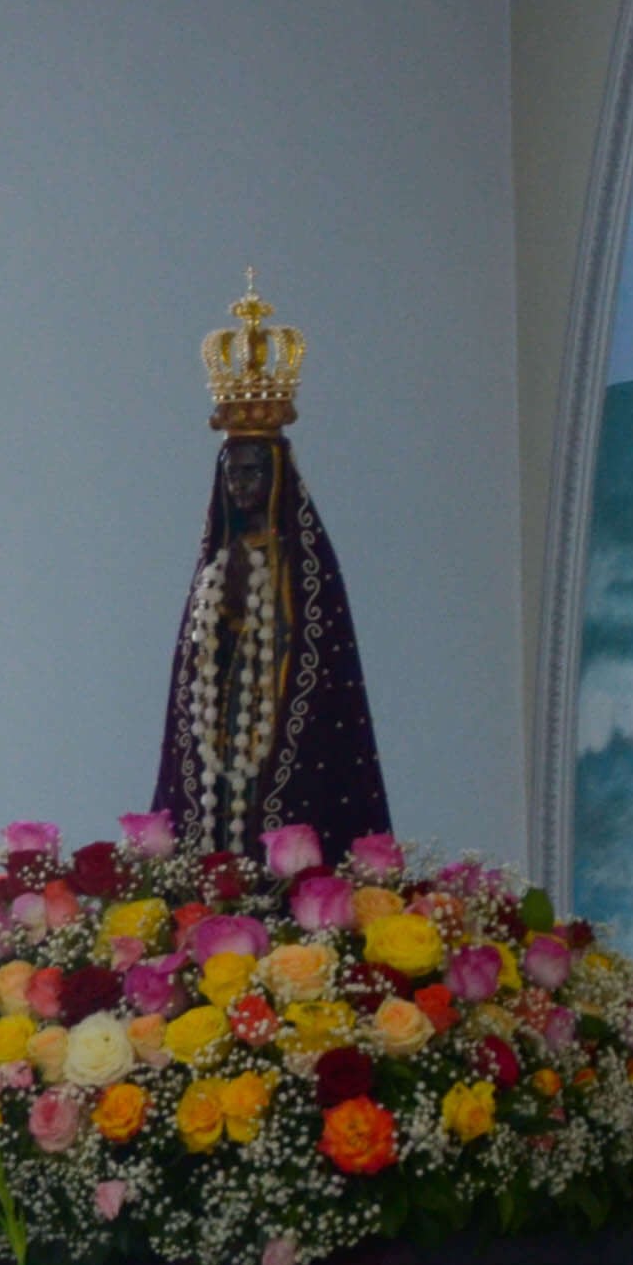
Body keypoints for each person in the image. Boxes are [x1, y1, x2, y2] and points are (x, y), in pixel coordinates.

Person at [147, 280, 390, 861]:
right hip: (225, 728)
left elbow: (316, 662)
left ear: (278, 478)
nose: (241, 485)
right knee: (226, 801)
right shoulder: (217, 565)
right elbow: (198, 672)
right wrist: (227, 616)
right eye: (233, 473)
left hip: (282, 729)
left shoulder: (302, 571)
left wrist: (260, 622)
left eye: (253, 472)